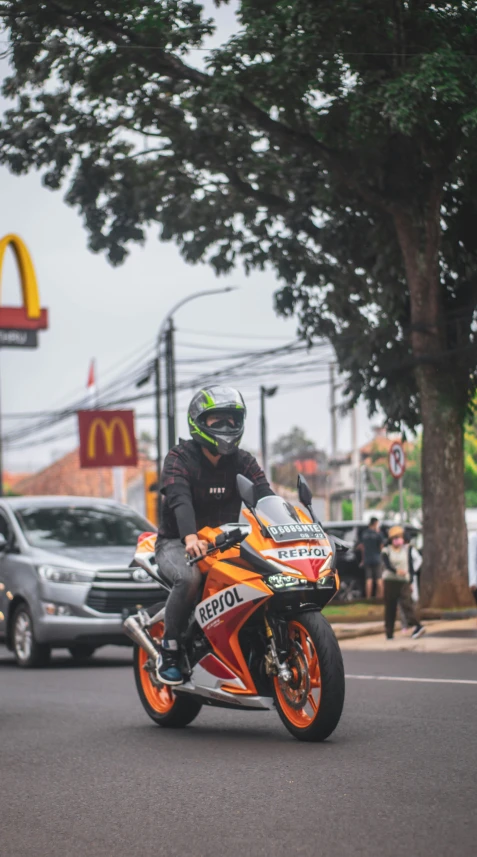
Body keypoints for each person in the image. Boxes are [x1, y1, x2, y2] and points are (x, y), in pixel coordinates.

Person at [154, 385, 274, 685]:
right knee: (189, 578)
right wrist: (190, 537)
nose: (226, 427)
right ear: (198, 422)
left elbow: (265, 495)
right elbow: (179, 498)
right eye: (216, 420)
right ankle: (169, 649)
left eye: (231, 420)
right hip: (177, 542)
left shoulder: (243, 461)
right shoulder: (179, 458)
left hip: (226, 541)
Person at [382, 525, 425, 640]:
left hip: (404, 581)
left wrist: (410, 579)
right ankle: (389, 632)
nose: (397, 540)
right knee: (390, 607)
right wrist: (396, 571)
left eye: (399, 537)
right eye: (395, 537)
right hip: (390, 581)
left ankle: (417, 626)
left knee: (407, 604)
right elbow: (387, 565)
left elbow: (411, 565)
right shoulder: (386, 550)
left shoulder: (407, 549)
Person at [360, 517, 384, 599]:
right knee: (379, 580)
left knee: (369, 580)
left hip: (367, 559)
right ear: (375, 523)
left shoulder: (364, 533)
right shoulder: (378, 534)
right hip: (377, 558)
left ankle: (368, 598)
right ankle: (380, 598)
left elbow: (362, 547)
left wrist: (363, 560)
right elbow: (381, 547)